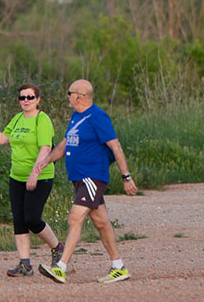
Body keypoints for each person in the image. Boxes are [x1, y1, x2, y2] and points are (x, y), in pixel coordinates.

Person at [37, 78, 138, 285]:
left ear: (79, 96)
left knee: (75, 218)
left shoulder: (98, 117)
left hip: (92, 177)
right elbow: (65, 143)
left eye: (69, 93)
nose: (68, 97)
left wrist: (126, 177)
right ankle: (118, 267)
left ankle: (61, 267)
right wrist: (46, 161)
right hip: (79, 178)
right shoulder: (76, 116)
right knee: (101, 222)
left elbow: (116, 146)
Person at [0, 83, 65, 277]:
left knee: (32, 218)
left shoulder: (42, 120)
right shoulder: (17, 119)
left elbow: (45, 148)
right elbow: (3, 138)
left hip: (40, 176)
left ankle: (57, 247)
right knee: (19, 219)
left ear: (38, 100)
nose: (26, 101)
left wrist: (35, 172)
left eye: (30, 97)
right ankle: (25, 264)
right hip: (16, 177)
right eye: (22, 97)